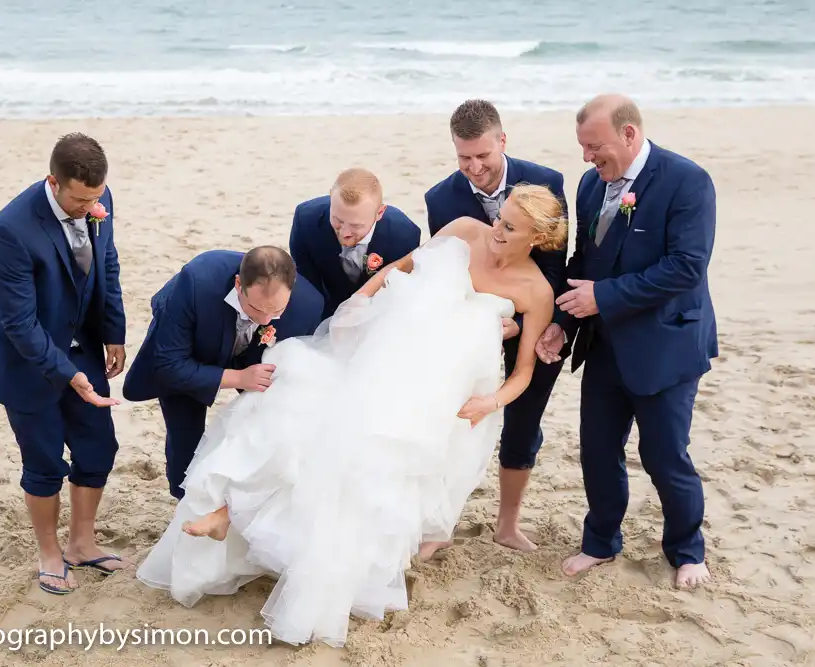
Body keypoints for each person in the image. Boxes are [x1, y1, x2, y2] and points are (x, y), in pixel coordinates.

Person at [136, 184, 567, 648]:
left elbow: (523, 372)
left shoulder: (536, 291)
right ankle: (231, 508)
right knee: (301, 405)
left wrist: (492, 402)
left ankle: (330, 565)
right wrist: (358, 302)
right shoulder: (464, 230)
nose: (496, 230)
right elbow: (401, 269)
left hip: (440, 391)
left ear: (536, 239)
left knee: (370, 469)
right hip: (383, 354)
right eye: (499, 219)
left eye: (509, 228)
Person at [538, 93, 718, 588]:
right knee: (597, 451)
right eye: (582, 147)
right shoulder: (590, 186)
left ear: (629, 134)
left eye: (594, 145)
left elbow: (686, 267)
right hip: (605, 345)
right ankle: (599, 542)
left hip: (666, 345)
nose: (586, 158)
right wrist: (564, 321)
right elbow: (583, 265)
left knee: (665, 456)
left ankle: (686, 550)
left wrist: (604, 297)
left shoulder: (687, 181)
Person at [0, 132, 129, 595]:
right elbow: (21, 325)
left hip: (79, 343)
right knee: (44, 462)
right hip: (24, 362)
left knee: (99, 448)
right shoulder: (9, 231)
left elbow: (109, 266)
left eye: (96, 198)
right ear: (54, 182)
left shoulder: (99, 200)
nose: (90, 206)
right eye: (81, 199)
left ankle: (82, 543)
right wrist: (70, 375)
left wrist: (113, 333)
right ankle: (49, 552)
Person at [424, 98, 570, 552]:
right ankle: (437, 520)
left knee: (523, 424)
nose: (474, 167)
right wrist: (480, 317)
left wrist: (544, 321)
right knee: (449, 416)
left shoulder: (547, 182)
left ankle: (507, 524)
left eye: (482, 156)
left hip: (535, 321)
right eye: (463, 157)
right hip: (470, 329)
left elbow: (554, 264)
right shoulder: (441, 198)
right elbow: (444, 269)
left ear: (502, 141)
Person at [121, 246, 324, 499]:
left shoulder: (308, 306)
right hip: (192, 350)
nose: (265, 320)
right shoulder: (196, 282)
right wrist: (238, 378)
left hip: (255, 361)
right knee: (185, 445)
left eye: (276, 311)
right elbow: (168, 364)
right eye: (257, 308)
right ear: (239, 284)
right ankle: (185, 505)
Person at [289, 167, 421, 321]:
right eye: (337, 220)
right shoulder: (305, 219)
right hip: (323, 311)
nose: (345, 232)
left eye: (356, 226)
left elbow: (401, 294)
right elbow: (306, 283)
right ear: (331, 197)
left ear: (379, 213)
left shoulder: (403, 234)